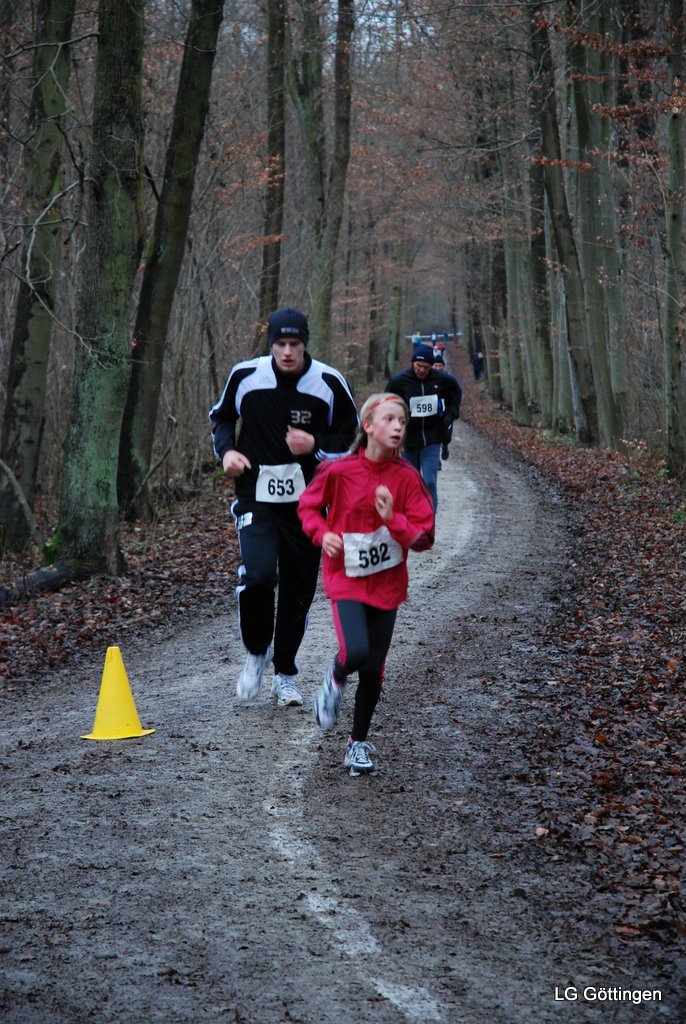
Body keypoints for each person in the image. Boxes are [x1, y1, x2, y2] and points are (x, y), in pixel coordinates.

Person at [209, 307, 358, 707]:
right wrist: (227, 453)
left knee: (298, 591)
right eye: (280, 344)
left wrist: (316, 445)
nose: (287, 352)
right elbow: (222, 418)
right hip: (255, 495)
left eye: (294, 344)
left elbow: (351, 438)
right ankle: (257, 652)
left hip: (309, 503)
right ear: (270, 343)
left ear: (305, 343)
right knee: (259, 575)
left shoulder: (328, 382)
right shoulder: (246, 376)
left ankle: (285, 674)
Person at [297, 393, 434, 776]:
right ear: (368, 426)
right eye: (389, 419)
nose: (398, 427)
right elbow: (307, 506)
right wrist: (322, 534)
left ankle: (356, 744)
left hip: (387, 585)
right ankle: (335, 677)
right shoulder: (338, 471)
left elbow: (425, 537)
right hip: (346, 578)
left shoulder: (407, 477)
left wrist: (393, 519)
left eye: (402, 421)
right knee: (356, 651)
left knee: (374, 671)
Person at [385, 344, 462, 509]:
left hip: (432, 438)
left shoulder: (442, 380)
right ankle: (411, 515)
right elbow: (386, 403)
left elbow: (455, 396)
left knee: (430, 481)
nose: (421, 370)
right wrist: (395, 422)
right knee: (410, 482)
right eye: (418, 366)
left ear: (431, 366)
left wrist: (449, 415)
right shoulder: (399, 381)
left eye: (426, 367)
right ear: (412, 363)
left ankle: (429, 517)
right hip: (408, 440)